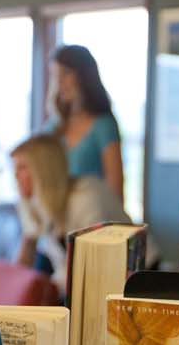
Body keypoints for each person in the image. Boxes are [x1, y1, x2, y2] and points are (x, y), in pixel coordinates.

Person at [11, 133, 142, 278]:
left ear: (44, 170)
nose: (15, 175)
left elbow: (91, 263)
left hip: (135, 274)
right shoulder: (30, 202)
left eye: (22, 167)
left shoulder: (84, 197)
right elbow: (26, 253)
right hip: (88, 277)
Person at [44, 45, 124, 199]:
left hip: (91, 217)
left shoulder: (103, 125)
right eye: (55, 75)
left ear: (84, 75)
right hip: (57, 218)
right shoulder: (52, 127)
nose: (59, 82)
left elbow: (116, 192)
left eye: (65, 73)